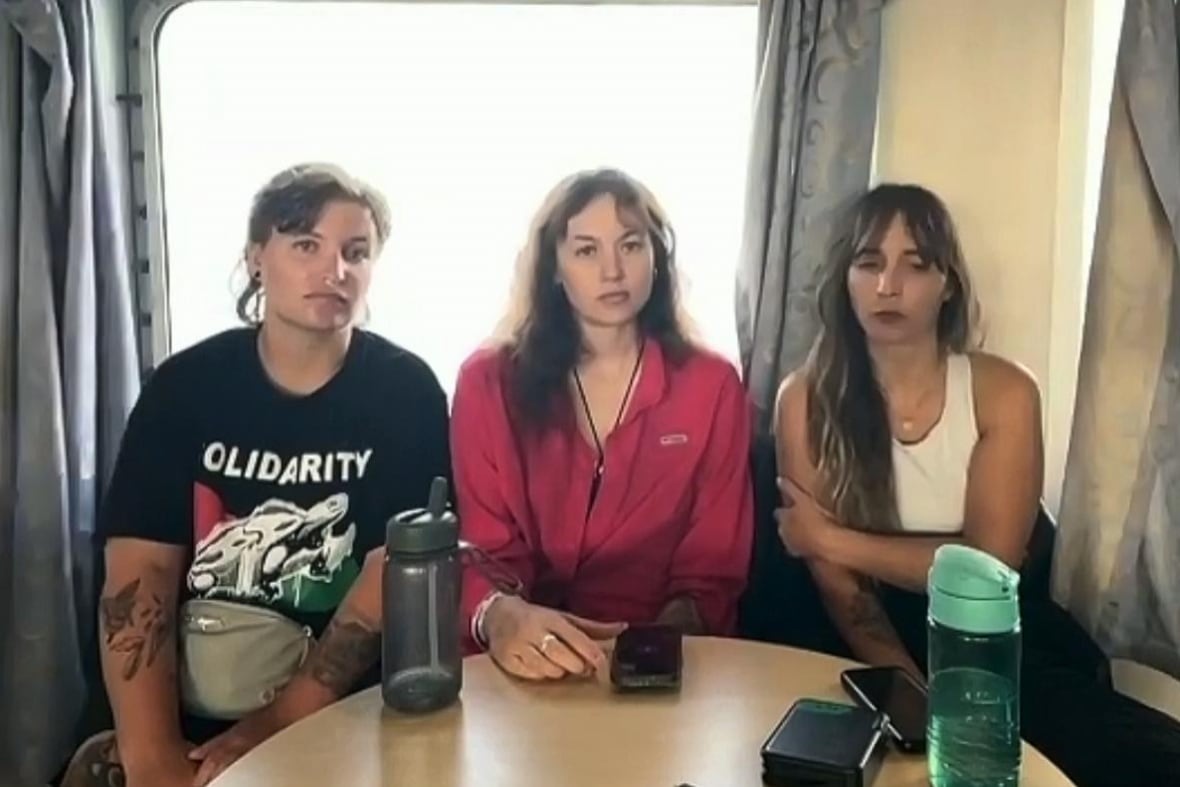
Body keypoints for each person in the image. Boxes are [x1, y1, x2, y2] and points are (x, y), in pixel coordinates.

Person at [773, 182, 1180, 787]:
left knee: (1142, 758)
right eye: (869, 263)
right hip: (862, 631)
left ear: (949, 284)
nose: (888, 286)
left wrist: (829, 538)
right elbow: (842, 590)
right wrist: (911, 691)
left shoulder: (1004, 391)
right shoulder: (804, 398)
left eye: (916, 265)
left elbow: (989, 567)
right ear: (844, 279)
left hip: (990, 626)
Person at [60, 163, 451, 787]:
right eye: (306, 245)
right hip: (177, 708)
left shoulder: (407, 393)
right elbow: (140, 574)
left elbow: (388, 578)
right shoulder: (184, 387)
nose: (335, 270)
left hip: (329, 716)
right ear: (256, 258)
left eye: (356, 252)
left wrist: (274, 727)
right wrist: (152, 755)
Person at [451, 168, 754, 681]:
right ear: (553, 267)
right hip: (520, 659)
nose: (613, 271)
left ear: (657, 258)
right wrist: (504, 619)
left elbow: (711, 570)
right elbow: (483, 553)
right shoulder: (487, 382)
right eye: (587, 251)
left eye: (631, 246)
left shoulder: (712, 385)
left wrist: (648, 652)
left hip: (662, 663)